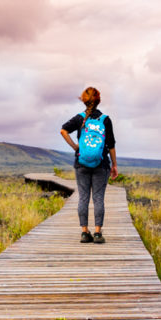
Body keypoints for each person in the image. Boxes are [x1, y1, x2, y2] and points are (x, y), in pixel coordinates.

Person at [60, 86, 118, 243]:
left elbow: (63, 131)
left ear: (84, 101)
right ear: (98, 101)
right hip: (101, 164)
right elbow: (111, 144)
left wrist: (75, 147)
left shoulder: (79, 118)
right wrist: (114, 165)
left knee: (83, 198)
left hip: (81, 163)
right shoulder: (105, 119)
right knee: (98, 198)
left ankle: (85, 232)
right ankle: (98, 233)